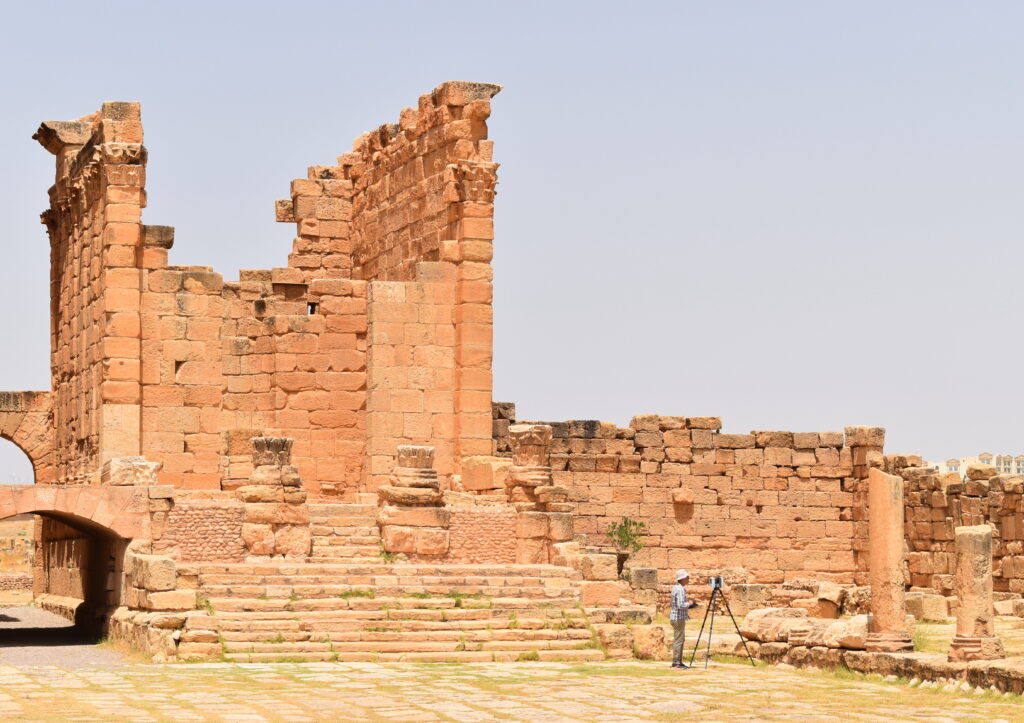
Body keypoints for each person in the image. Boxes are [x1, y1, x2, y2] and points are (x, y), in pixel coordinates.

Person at [670, 568, 699, 669]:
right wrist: (690, 604)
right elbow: (680, 605)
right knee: (678, 640)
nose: (688, 578)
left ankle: (678, 661)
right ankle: (676, 663)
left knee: (680, 639)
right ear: (682, 578)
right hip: (678, 618)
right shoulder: (680, 589)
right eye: (687, 577)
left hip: (678, 617)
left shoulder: (677, 588)